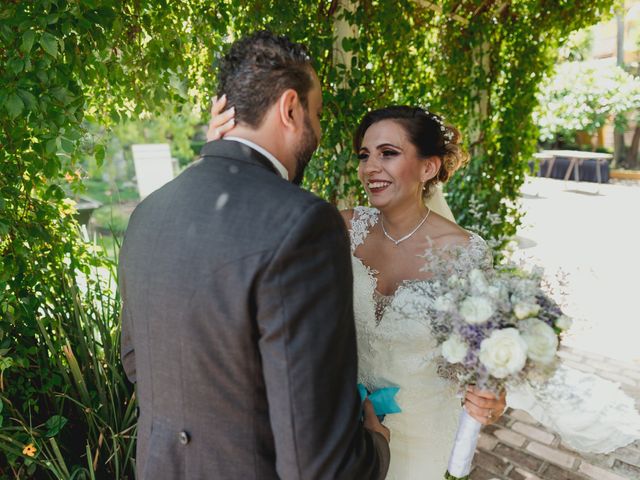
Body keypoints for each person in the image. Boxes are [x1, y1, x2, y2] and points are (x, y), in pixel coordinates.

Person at [119, 31, 391, 480]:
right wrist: (377, 447)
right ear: (290, 108)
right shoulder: (304, 223)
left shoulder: (150, 211)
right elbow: (318, 465)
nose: (318, 132)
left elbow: (136, 361)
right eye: (317, 114)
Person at [208, 98, 508, 478]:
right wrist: (224, 153)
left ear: (428, 167)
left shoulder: (466, 253)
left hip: (423, 434)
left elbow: (482, 358)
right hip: (343, 432)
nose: (370, 168)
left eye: (388, 153)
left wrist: (491, 399)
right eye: (365, 155)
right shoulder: (340, 228)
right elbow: (260, 222)